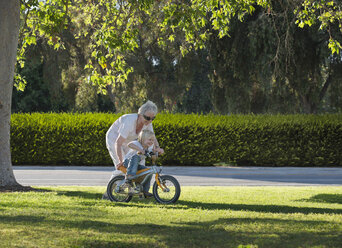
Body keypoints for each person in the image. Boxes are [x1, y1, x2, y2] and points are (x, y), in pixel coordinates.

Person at [103, 100, 164, 199]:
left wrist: (157, 148)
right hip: (114, 139)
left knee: (141, 166)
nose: (150, 121)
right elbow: (118, 143)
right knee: (123, 168)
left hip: (129, 141)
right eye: (147, 118)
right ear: (140, 114)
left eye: (153, 118)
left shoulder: (148, 123)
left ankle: (141, 193)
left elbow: (153, 137)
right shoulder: (129, 121)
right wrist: (120, 161)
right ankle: (108, 194)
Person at [123, 130, 156, 198]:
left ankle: (145, 191)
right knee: (136, 157)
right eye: (149, 140)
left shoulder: (149, 147)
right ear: (142, 139)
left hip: (136, 166)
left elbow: (152, 157)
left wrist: (155, 154)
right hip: (127, 162)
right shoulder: (137, 143)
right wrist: (141, 150)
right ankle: (129, 176)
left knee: (148, 171)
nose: (151, 142)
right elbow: (129, 144)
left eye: (152, 140)